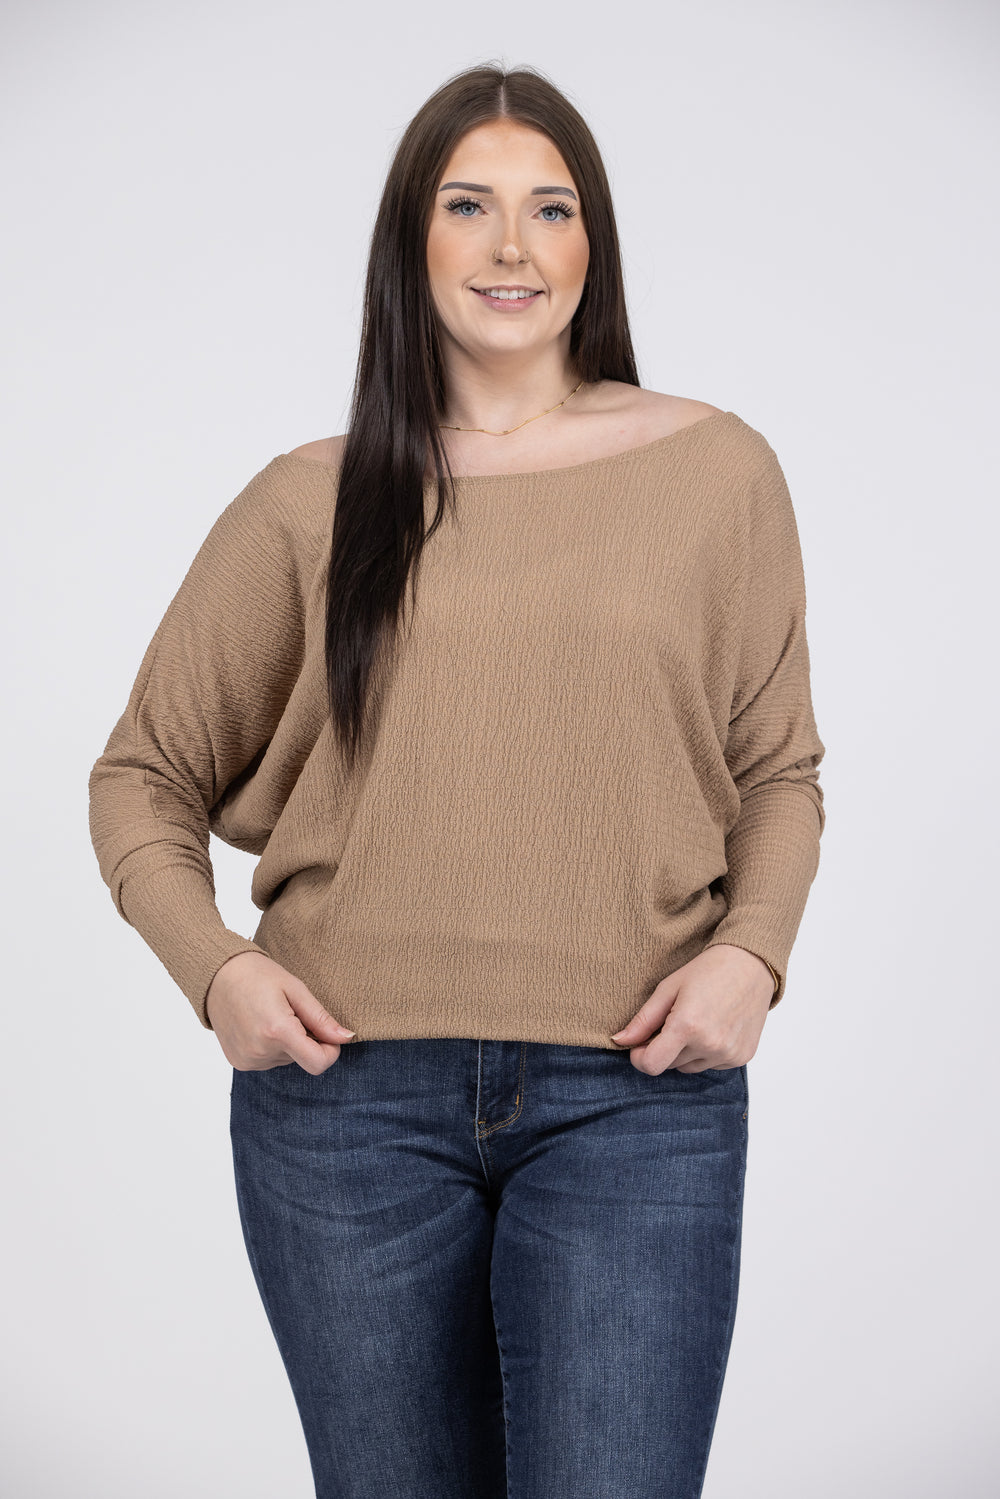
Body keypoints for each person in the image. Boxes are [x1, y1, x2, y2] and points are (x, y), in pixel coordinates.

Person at [88, 62, 826, 1499]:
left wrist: (754, 954)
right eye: (468, 205)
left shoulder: (717, 473)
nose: (512, 246)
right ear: (410, 242)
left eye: (551, 209)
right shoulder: (309, 498)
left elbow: (777, 767)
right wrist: (217, 972)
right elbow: (143, 776)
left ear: (592, 242)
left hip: (636, 1093)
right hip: (346, 1106)